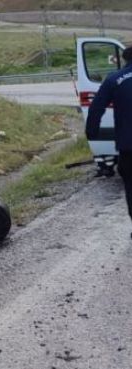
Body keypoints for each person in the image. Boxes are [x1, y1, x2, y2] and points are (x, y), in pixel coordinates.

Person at [86, 46, 132, 237]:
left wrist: (91, 131)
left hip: (128, 145)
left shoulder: (114, 80)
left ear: (124, 59)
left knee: (131, 185)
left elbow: (96, 108)